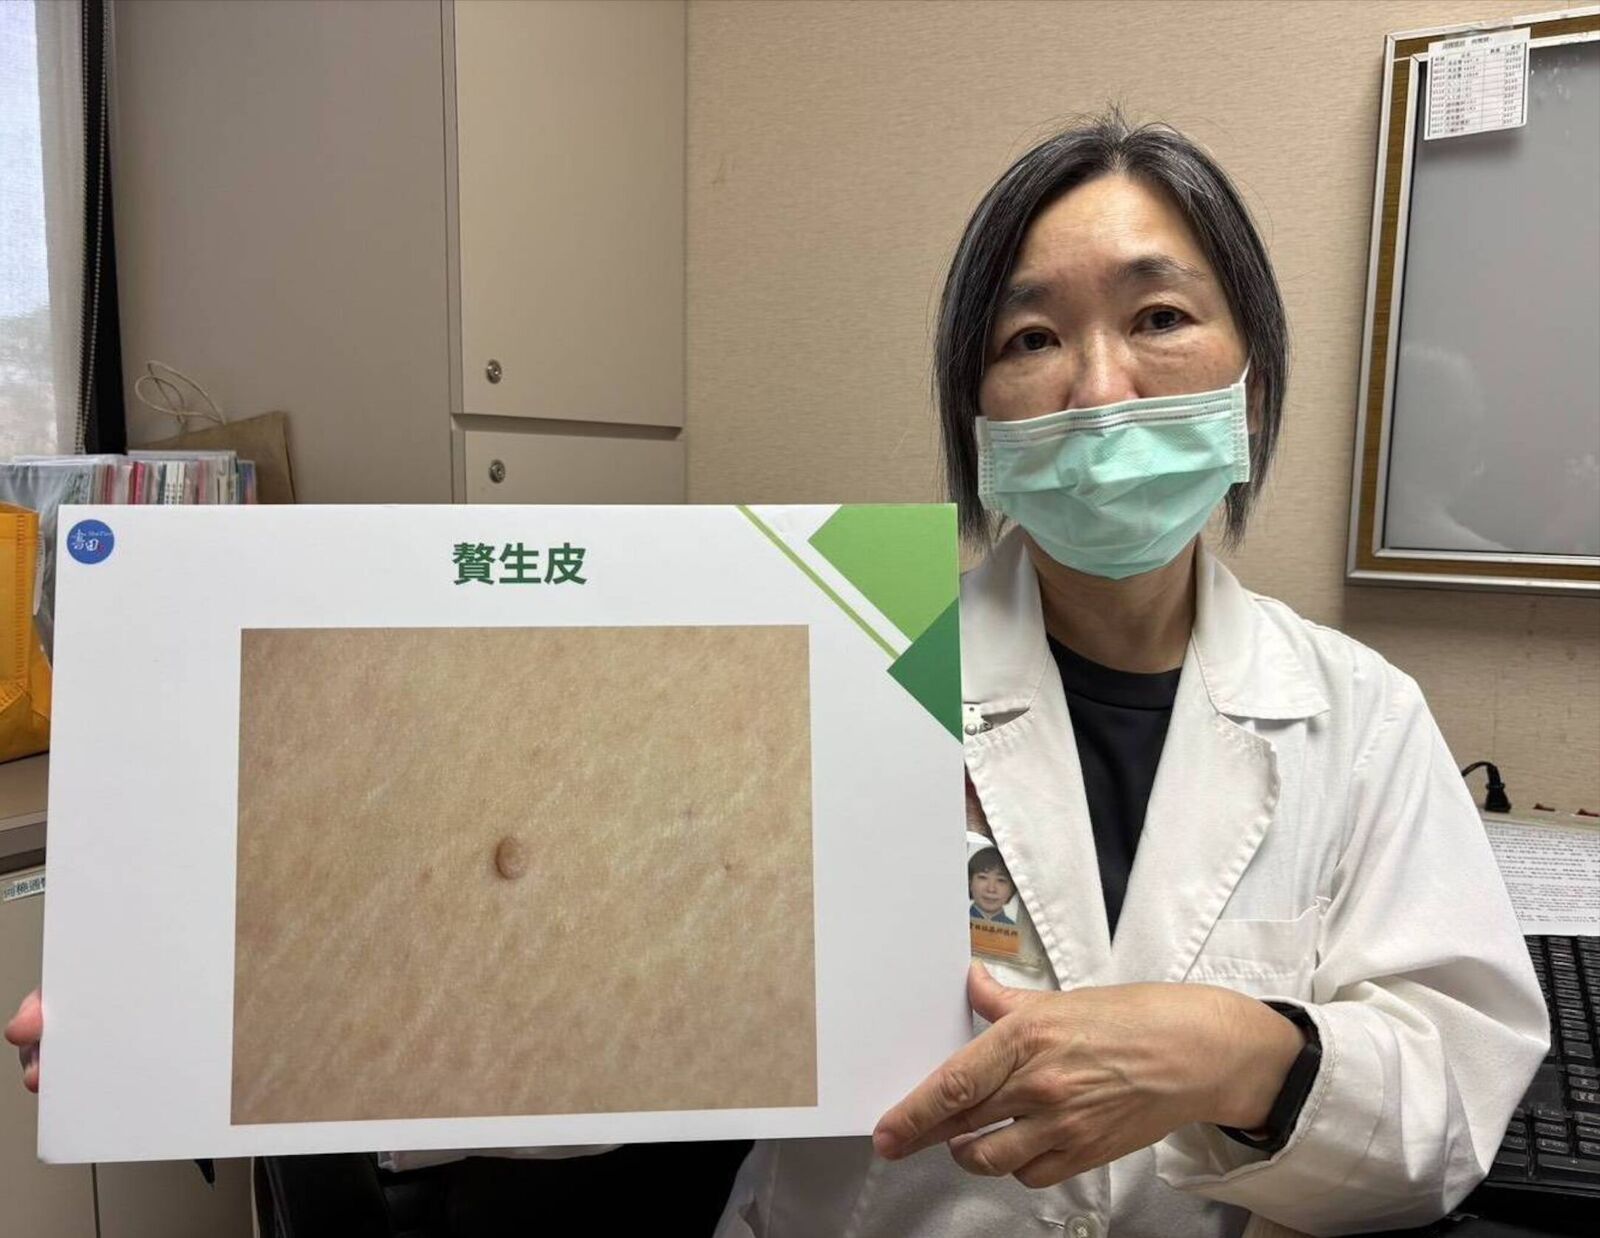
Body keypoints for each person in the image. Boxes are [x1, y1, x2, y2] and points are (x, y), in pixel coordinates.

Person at [10, 112, 1548, 1237]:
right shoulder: (840, 661)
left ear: (1252, 374)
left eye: (1158, 316)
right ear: (975, 416)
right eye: (1030, 337)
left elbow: (1456, 1093)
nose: (1096, 387)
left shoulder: (1358, 717)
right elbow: (605, 1021)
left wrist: (1244, 1055)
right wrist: (225, 1020)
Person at [968, 846, 1016, 924]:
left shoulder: (1017, 930)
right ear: (970, 882)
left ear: (1012, 888)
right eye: (983, 877)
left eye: (1001, 880)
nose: (991, 889)